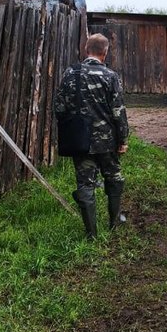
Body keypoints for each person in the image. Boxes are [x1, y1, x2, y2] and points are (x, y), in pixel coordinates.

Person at [54, 33, 130, 239]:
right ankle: (114, 223)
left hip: (81, 141)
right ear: (105, 53)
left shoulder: (71, 73)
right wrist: (123, 139)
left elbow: (59, 107)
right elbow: (118, 111)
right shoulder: (110, 76)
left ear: (86, 50)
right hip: (108, 142)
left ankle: (91, 234)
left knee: (85, 184)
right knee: (114, 177)